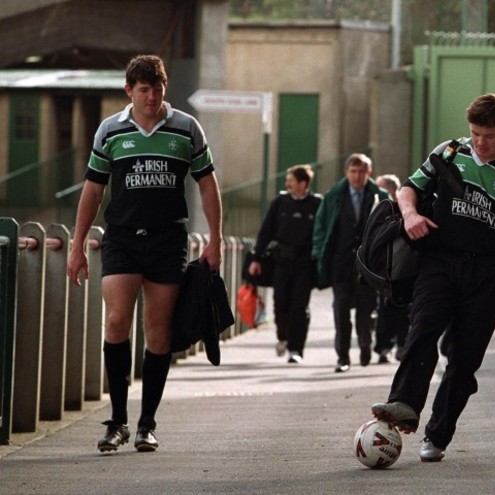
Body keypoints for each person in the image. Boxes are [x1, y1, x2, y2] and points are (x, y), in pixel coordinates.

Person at [371, 93, 495, 462]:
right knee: (423, 328)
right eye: (475, 134)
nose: (480, 143)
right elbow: (408, 188)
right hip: (440, 261)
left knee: (463, 360)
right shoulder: (450, 152)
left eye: (489, 136)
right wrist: (410, 215)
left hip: (490, 274)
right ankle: (404, 402)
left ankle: (438, 435)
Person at [67, 54, 223, 453]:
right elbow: (94, 189)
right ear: (129, 91)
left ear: (164, 89)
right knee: (117, 320)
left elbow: (207, 185)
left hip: (167, 240)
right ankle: (116, 421)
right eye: (143, 90)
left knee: (158, 331)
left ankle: (146, 423)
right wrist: (78, 244)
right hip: (121, 237)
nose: (151, 98)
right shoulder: (111, 131)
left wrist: (215, 238)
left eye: (157, 89)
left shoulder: (187, 129)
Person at [312, 153, 389, 372]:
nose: (357, 176)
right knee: (341, 310)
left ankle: (365, 345)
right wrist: (319, 253)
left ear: (369, 173)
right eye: (353, 172)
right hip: (341, 263)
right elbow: (320, 227)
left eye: (361, 172)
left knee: (365, 310)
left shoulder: (379, 196)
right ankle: (343, 357)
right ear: (346, 173)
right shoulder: (334, 196)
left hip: (368, 266)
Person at [248, 164, 322, 363]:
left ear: (303, 183)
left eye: (291, 181)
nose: (287, 184)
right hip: (282, 260)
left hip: (305, 262)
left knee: (300, 306)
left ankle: (295, 349)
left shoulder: (317, 203)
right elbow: (266, 232)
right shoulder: (279, 203)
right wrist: (256, 259)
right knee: (280, 302)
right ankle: (283, 336)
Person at [373, 174, 410, 363]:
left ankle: (402, 344)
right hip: (385, 269)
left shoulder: (406, 209)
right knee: (384, 308)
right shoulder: (379, 211)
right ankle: (383, 346)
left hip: (402, 267)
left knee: (404, 308)